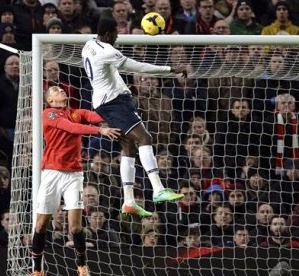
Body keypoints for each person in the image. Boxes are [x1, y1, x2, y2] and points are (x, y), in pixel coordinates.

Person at [81, 17, 187, 218]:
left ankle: (129, 201)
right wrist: (171, 70)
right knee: (145, 138)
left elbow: (108, 71)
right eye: (115, 33)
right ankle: (158, 189)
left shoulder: (88, 45)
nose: (118, 36)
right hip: (114, 103)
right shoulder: (108, 51)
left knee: (128, 147)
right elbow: (138, 67)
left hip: (105, 101)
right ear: (107, 35)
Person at [30, 86, 121, 276]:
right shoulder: (49, 114)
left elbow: (95, 116)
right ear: (50, 100)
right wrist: (100, 131)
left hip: (74, 175)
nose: (61, 90)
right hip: (51, 173)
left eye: (62, 89)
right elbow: (70, 128)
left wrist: (119, 107)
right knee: (41, 225)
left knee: (76, 226)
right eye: (56, 90)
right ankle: (37, 269)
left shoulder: (76, 112)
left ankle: (81, 266)